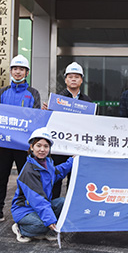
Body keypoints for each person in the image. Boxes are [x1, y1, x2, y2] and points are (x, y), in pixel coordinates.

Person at [0, 55, 41, 225]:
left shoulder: (33, 93)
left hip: (24, 146)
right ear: (10, 71)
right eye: (15, 69)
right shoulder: (2, 92)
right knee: (0, 178)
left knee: (26, 179)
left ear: (27, 72)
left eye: (21, 69)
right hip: (3, 145)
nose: (18, 72)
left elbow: (36, 118)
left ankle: (24, 211)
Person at [10, 127, 73, 243]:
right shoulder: (29, 171)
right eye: (38, 146)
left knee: (63, 202)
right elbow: (38, 199)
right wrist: (49, 220)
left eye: (46, 146)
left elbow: (56, 173)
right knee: (42, 224)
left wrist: (72, 161)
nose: (42, 149)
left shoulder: (47, 163)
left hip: (38, 206)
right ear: (31, 147)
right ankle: (21, 229)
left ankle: (44, 229)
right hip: (25, 210)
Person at [42, 61, 92, 198]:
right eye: (70, 77)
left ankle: (71, 207)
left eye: (77, 77)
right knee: (56, 178)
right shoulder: (56, 100)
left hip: (77, 146)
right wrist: (45, 111)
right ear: (65, 80)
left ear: (81, 80)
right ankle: (54, 207)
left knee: (75, 179)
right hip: (59, 146)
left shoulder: (87, 101)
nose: (73, 79)